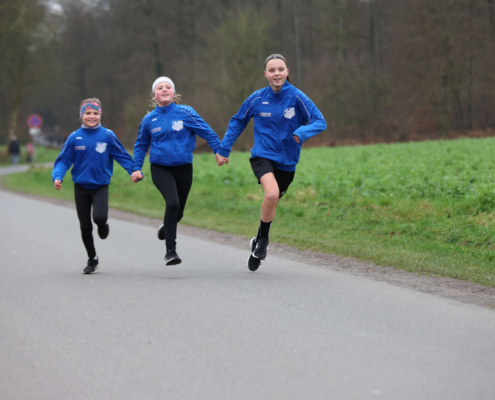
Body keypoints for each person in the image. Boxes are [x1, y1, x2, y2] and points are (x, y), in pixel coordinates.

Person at [216, 54, 327, 272]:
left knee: (272, 201)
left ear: (287, 72)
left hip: (287, 162)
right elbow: (238, 121)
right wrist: (224, 148)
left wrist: (301, 132)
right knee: (272, 195)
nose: (276, 73)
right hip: (262, 156)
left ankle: (258, 240)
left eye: (281, 69)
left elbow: (320, 121)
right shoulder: (257, 99)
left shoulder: (297, 98)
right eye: (272, 70)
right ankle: (264, 242)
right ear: (265, 74)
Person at [131, 77, 221, 266]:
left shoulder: (186, 113)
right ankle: (170, 252)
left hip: (184, 168)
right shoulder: (149, 119)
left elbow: (207, 132)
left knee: (178, 211)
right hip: (160, 168)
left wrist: (219, 151)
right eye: (160, 88)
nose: (164, 90)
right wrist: (136, 168)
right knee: (172, 204)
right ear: (154, 94)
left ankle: (167, 227)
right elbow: (140, 145)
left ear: (174, 93)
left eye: (168, 87)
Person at [52, 98, 137, 274]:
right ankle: (92, 258)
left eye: (95, 113)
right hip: (80, 188)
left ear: (100, 115)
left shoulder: (107, 135)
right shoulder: (75, 137)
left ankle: (103, 225)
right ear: (81, 116)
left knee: (98, 218)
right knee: (85, 227)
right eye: (88, 113)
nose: (92, 116)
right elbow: (64, 160)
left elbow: (121, 155)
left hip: (100, 187)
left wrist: (134, 170)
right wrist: (58, 176)